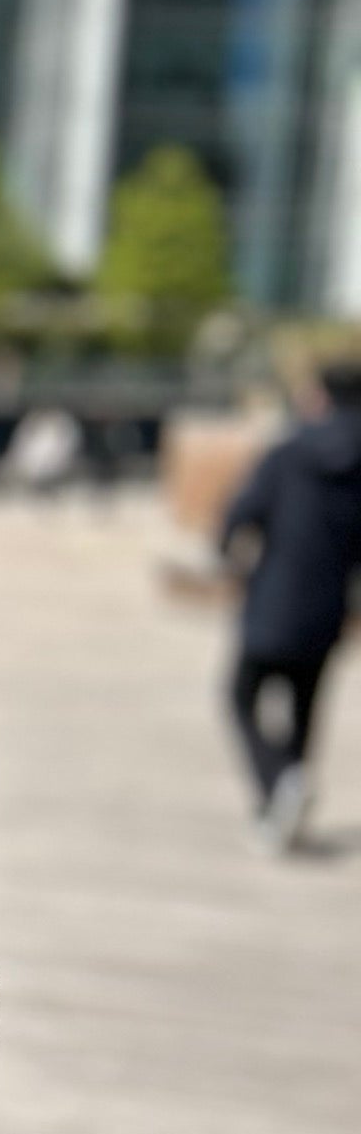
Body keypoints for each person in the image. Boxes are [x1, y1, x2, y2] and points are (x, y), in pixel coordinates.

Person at [219, 361, 361, 849]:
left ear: (320, 397)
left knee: (240, 697)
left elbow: (240, 515)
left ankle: (279, 784)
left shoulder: (288, 453)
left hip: (272, 601)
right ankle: (289, 792)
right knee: (305, 710)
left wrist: (228, 560)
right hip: (328, 610)